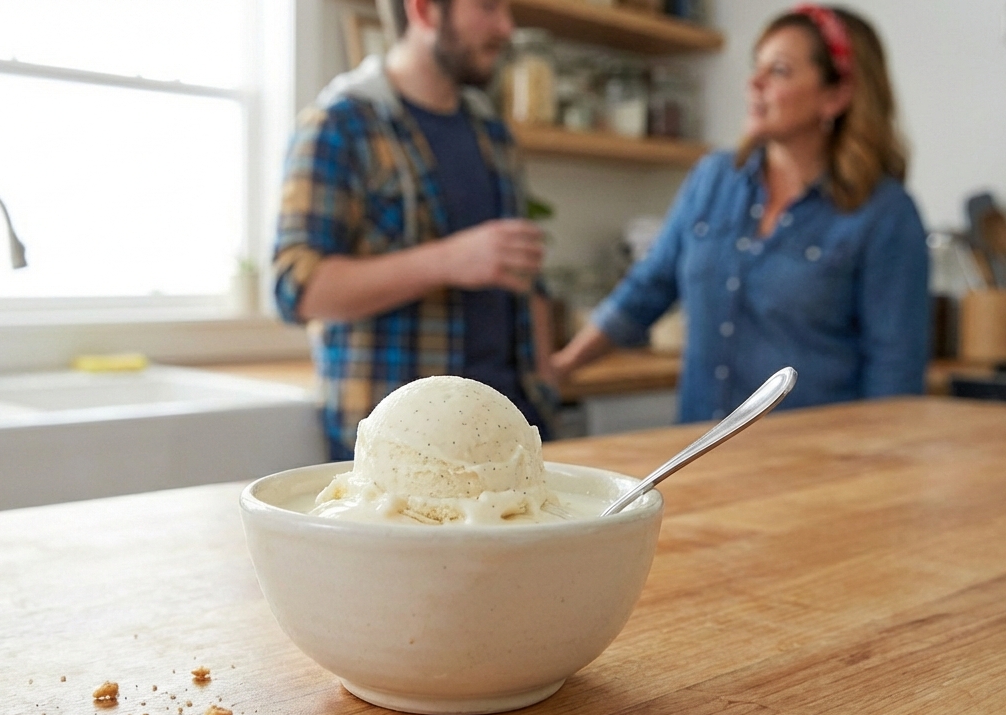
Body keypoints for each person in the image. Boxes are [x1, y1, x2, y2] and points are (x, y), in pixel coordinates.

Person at [551, 5, 929, 423]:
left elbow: (895, 376)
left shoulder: (886, 214)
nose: (754, 83)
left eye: (779, 71)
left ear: (836, 95)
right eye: (757, 66)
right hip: (703, 453)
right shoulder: (713, 178)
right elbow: (647, 289)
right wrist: (562, 367)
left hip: (819, 466)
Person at [272, 0, 556, 460]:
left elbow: (524, 274)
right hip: (400, 449)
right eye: (487, 7)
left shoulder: (493, 133)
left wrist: (546, 379)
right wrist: (446, 260)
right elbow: (296, 288)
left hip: (513, 428)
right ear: (424, 10)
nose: (507, 27)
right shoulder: (338, 125)